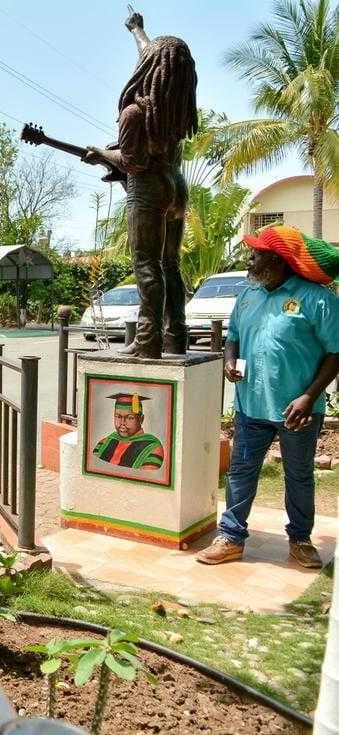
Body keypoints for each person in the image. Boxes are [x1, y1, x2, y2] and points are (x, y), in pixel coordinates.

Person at [196, 226, 339, 567]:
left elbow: (336, 352)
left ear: (277, 261)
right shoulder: (248, 294)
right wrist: (230, 361)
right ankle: (230, 537)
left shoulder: (318, 299)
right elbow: (233, 336)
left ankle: (301, 541)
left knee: (299, 474)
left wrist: (309, 397)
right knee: (242, 471)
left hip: (297, 410)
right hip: (250, 405)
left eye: (256, 253)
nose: (249, 258)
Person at [81, 11, 196, 359]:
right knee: (170, 265)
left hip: (148, 191)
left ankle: (147, 340)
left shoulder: (135, 113)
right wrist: (137, 30)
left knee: (147, 264)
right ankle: (175, 335)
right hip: (176, 187)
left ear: (149, 69)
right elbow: (150, 53)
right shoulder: (173, 115)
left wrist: (101, 152)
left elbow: (132, 163)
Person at [91, 393, 164, 470]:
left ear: (141, 419)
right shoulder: (104, 443)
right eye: (118, 416)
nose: (122, 423)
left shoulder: (153, 448)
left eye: (130, 418)